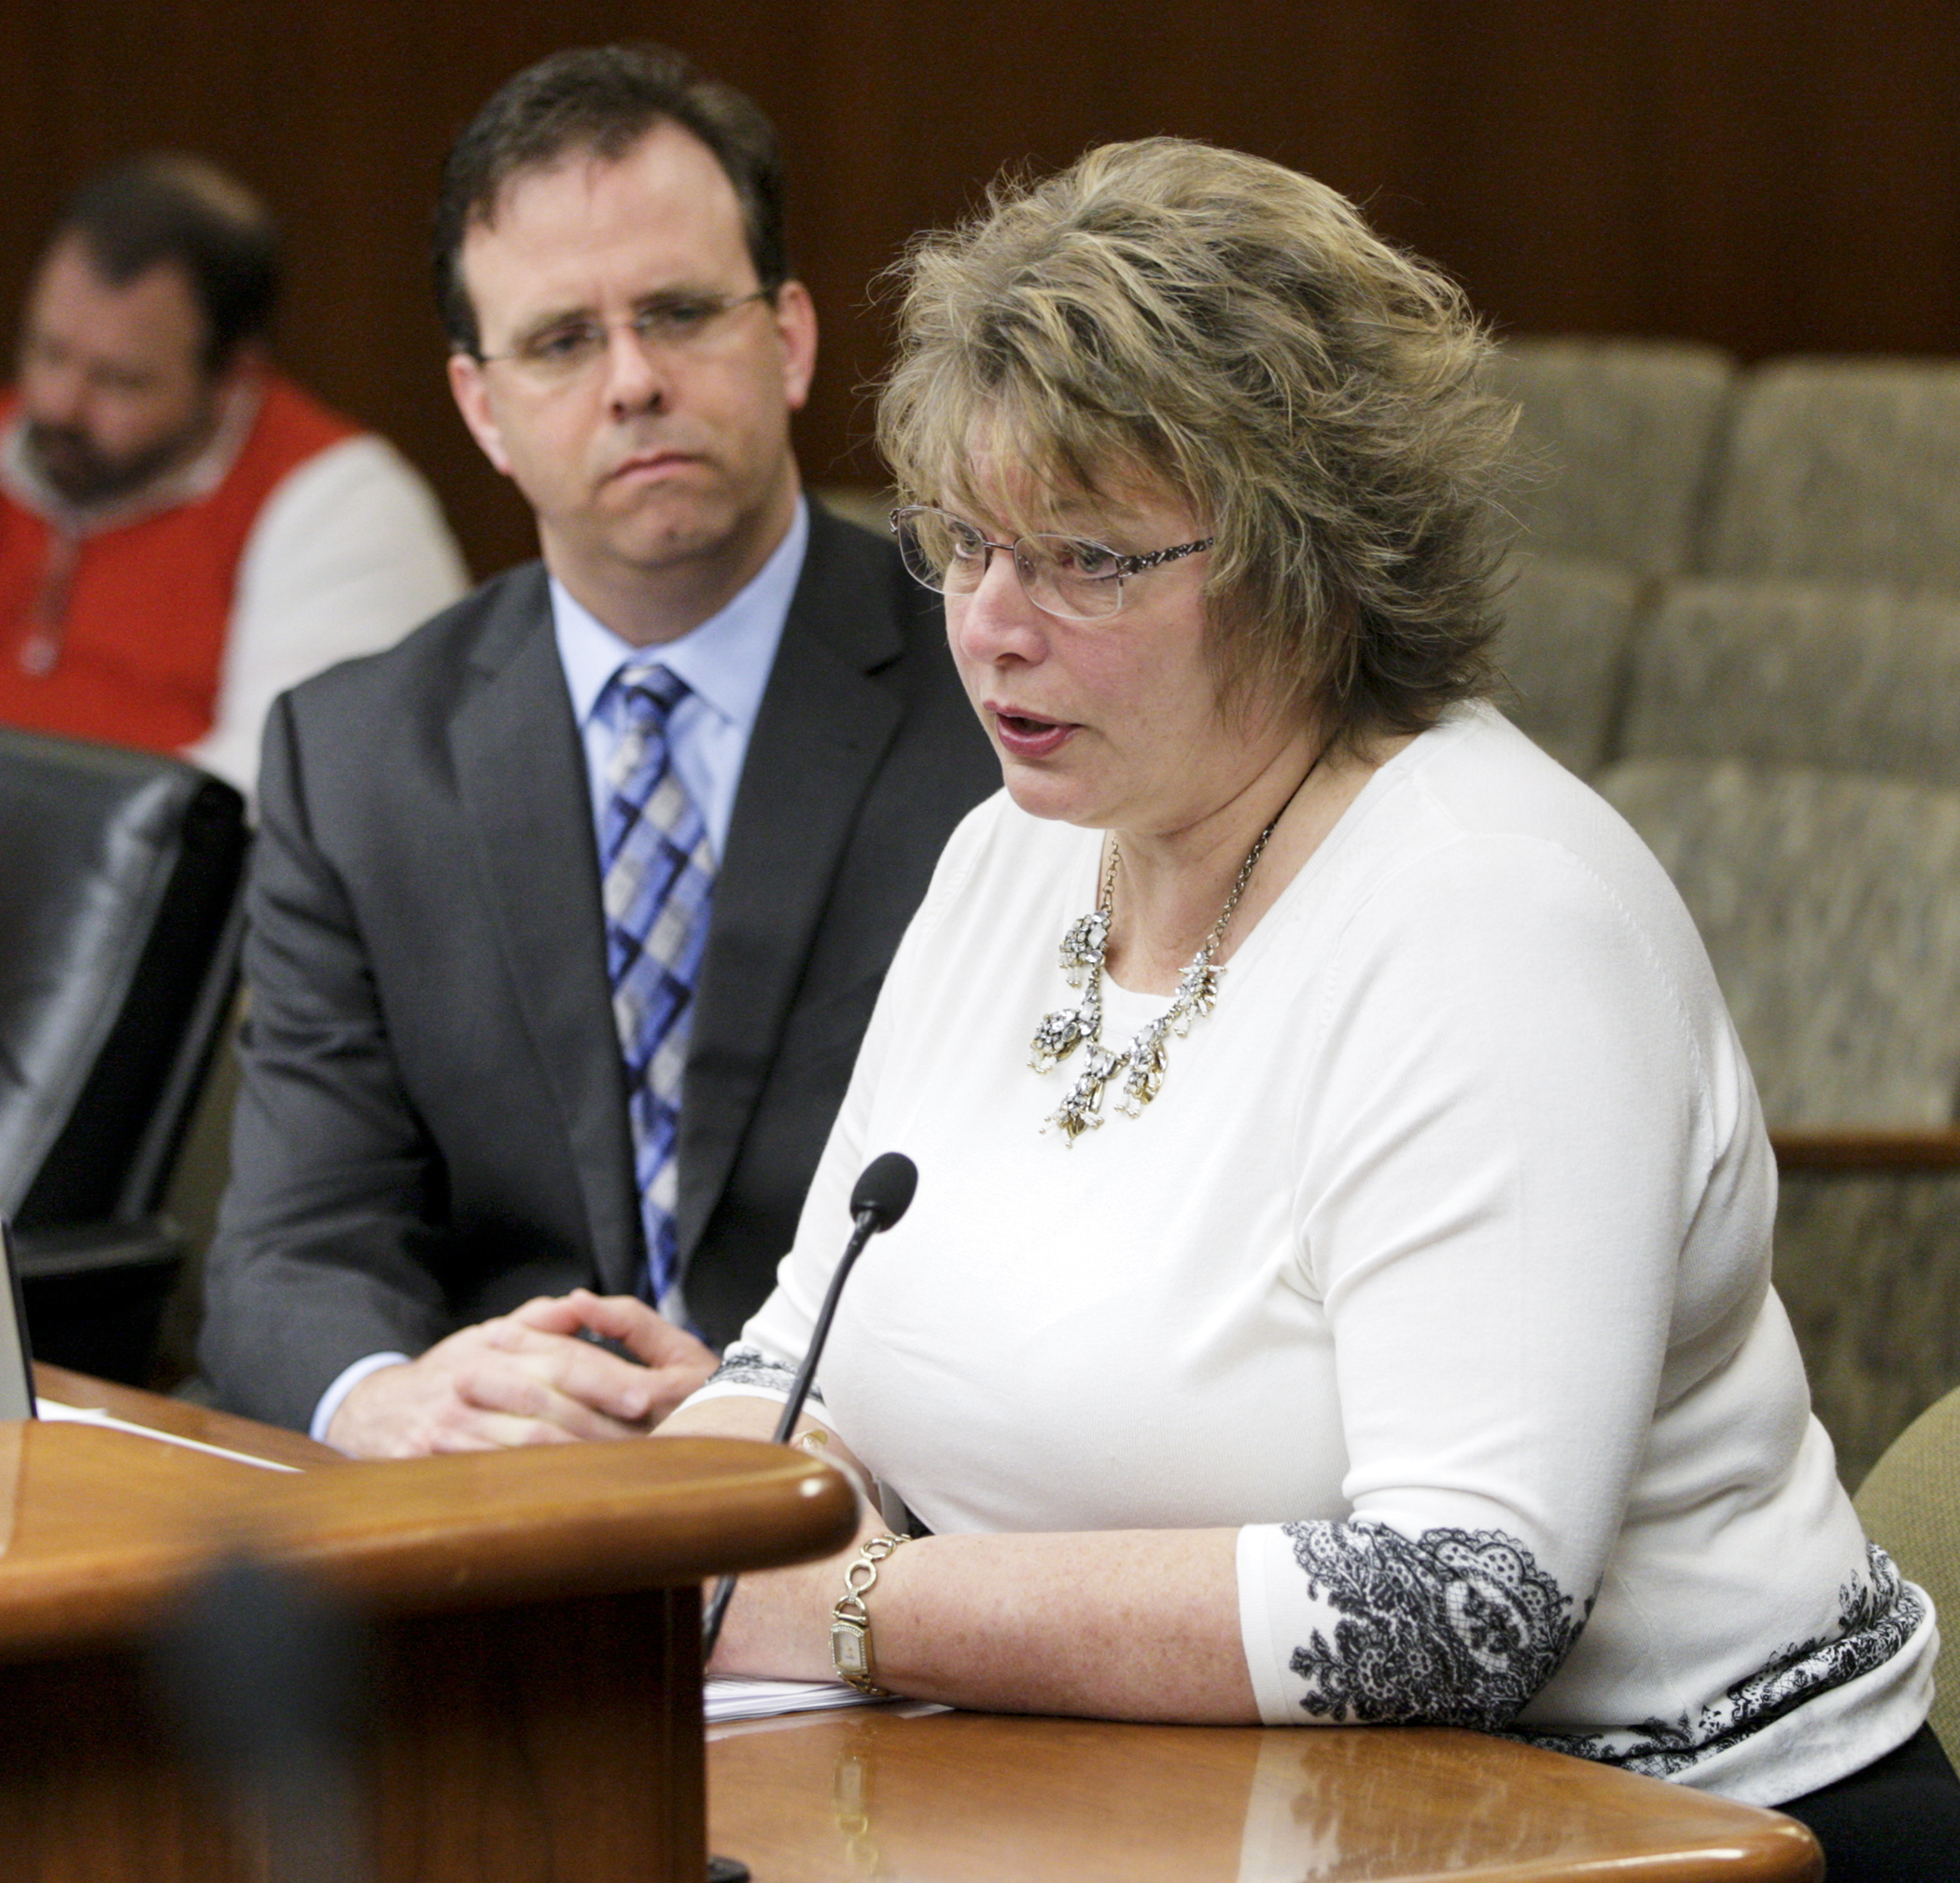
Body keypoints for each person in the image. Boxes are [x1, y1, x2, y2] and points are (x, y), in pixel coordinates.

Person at [653, 140, 1960, 1873]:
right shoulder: (1013, 853)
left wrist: (854, 1604)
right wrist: (688, 1536)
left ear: (1309, 557)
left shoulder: (1495, 914)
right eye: (961, 543)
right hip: (1117, 1793)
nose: (990, 626)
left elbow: (1458, 1606)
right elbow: (791, 1353)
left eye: (1087, 559)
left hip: (1638, 1829)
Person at [197, 46, 996, 1455]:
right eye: (562, 339)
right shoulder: (355, 754)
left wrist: (779, 1405)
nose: (632, 380)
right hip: (501, 1506)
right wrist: (392, 1397)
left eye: (681, 312)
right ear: (478, 406)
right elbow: (291, 1252)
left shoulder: (1004, 687)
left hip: (883, 1489)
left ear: (793, 339)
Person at [0, 155, 467, 794]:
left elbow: (299, 784)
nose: (59, 405)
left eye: (120, 380)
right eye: (47, 351)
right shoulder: (17, 430)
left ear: (235, 377)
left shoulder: (342, 504)